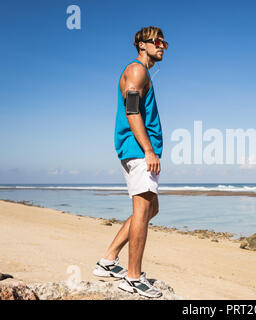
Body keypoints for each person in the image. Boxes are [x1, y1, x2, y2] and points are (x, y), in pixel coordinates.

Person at [92, 26, 168, 298]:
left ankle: (108, 260)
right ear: (141, 45)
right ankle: (133, 278)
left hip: (138, 151)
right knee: (143, 209)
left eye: (164, 42)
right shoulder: (136, 71)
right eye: (156, 41)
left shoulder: (143, 73)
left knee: (149, 210)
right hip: (138, 151)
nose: (161, 45)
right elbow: (132, 109)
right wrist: (148, 150)